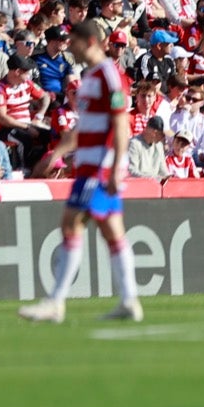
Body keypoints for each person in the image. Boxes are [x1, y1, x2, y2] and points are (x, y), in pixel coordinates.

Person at [18, 21, 143, 324]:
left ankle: (56, 302)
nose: (69, 46)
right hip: (90, 164)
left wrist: (115, 167)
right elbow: (83, 127)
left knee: (71, 223)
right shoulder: (89, 79)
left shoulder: (110, 76)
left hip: (100, 166)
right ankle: (129, 301)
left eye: (72, 41)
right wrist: (59, 151)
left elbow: (121, 123)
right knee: (111, 230)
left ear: (88, 41)